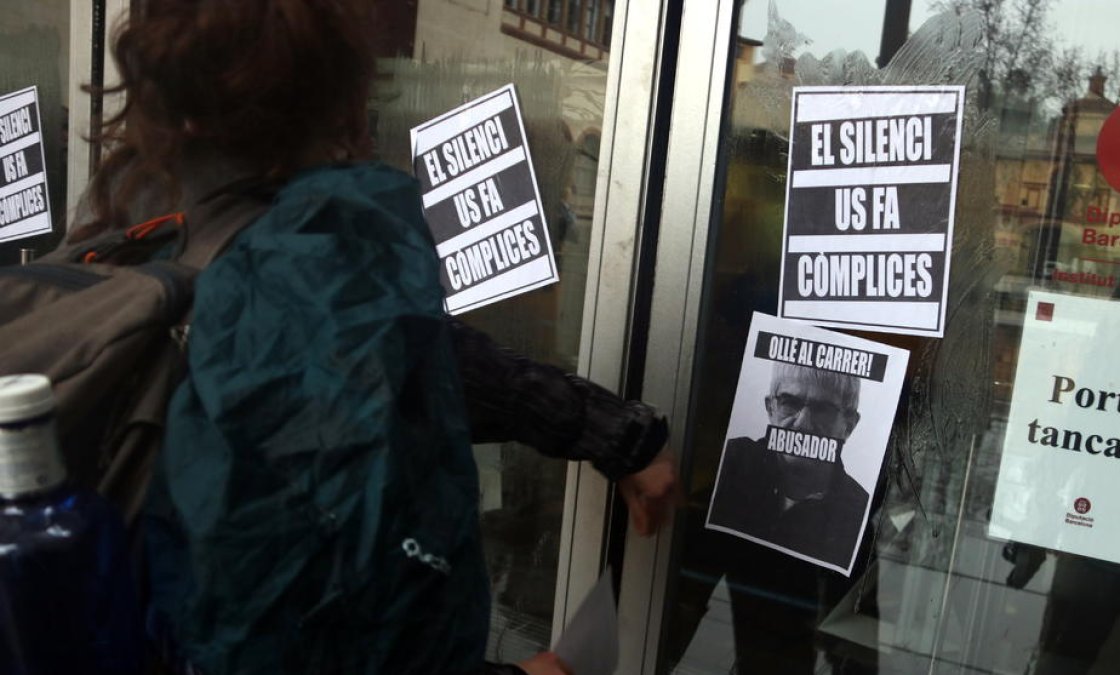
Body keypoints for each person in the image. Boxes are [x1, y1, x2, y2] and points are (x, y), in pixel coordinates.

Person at [68, 2, 676, 674]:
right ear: (339, 106)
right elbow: (301, 629)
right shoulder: (303, 269)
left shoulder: (117, 233)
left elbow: (407, 363)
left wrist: (610, 430)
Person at [708, 362, 867, 569]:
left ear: (849, 426)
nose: (802, 423)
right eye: (790, 403)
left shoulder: (860, 512)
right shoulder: (730, 460)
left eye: (822, 409)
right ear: (770, 408)